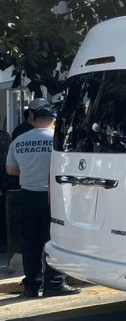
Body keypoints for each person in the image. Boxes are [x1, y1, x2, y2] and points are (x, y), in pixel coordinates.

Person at [5, 104, 80, 297]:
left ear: (34, 120)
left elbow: (11, 170)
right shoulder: (58, 141)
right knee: (54, 241)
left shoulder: (19, 140)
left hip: (27, 196)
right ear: (54, 120)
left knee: (30, 243)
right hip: (52, 197)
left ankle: (31, 285)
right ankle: (53, 284)